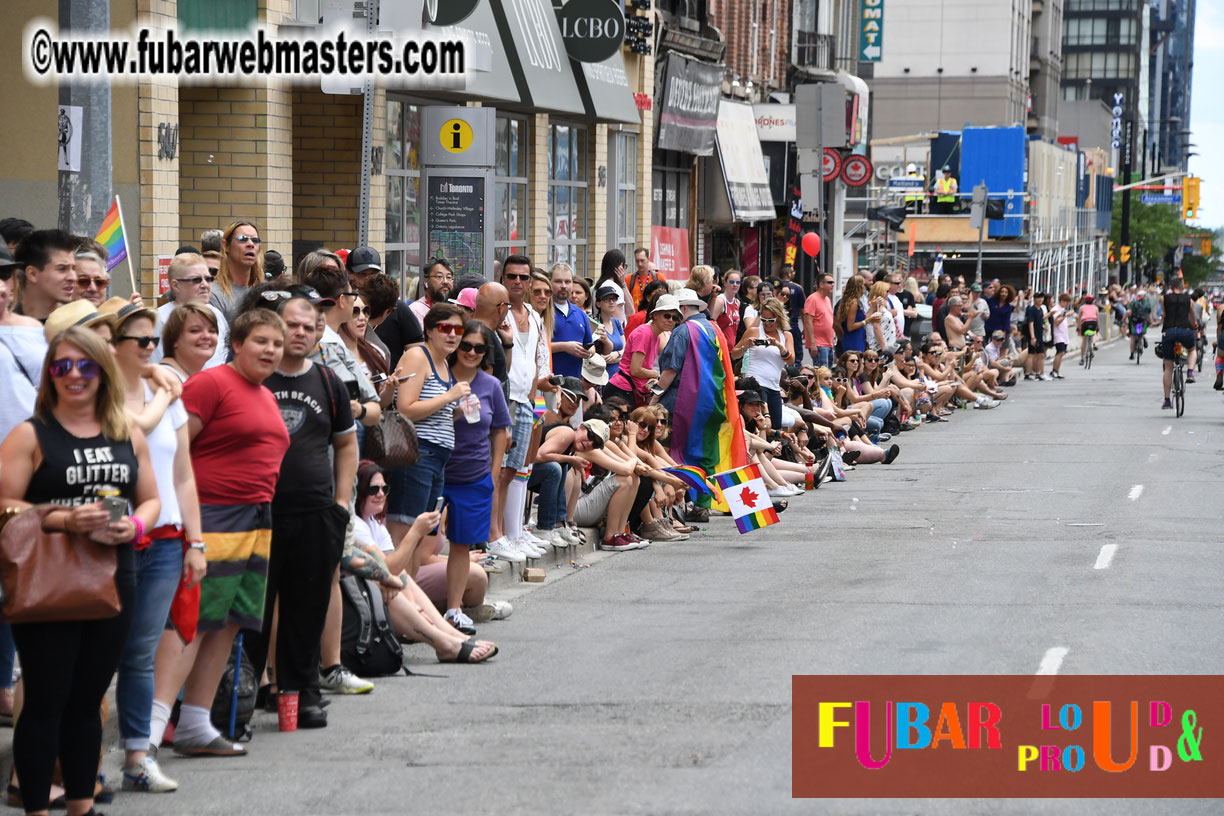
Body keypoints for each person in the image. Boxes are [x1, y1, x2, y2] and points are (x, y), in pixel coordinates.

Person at [0, 327, 161, 815]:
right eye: (61, 366)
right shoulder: (31, 433)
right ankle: (35, 808)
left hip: (114, 572)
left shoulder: (125, 431)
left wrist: (133, 525)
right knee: (46, 700)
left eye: (85, 366)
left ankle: (80, 806)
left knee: (89, 698)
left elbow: (150, 499)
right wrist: (64, 517)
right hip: (47, 576)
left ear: (102, 371)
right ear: (49, 375)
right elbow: (5, 504)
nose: (73, 375)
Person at [148, 310, 290, 759]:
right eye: (260, 341)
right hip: (213, 516)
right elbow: (173, 449)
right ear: (238, 344)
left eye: (277, 344)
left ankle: (195, 722)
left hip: (256, 520)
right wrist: (189, 529)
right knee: (193, 621)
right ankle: (148, 732)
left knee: (228, 623)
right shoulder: (210, 384)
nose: (270, 350)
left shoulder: (263, 392)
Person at [102, 300, 207, 793]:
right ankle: (84, 757)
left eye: (154, 342)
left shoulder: (166, 392)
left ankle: (137, 758)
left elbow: (183, 475)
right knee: (100, 651)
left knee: (142, 653)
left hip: (165, 540)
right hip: (110, 538)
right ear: (112, 345)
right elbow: (134, 428)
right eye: (141, 341)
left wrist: (196, 541)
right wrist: (166, 391)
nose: (151, 350)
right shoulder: (97, 395)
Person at [249, 295, 356, 730]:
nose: (298, 333)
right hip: (255, 513)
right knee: (254, 610)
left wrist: (342, 503)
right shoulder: (252, 379)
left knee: (306, 610)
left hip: (315, 513)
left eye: (307, 327)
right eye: (290, 325)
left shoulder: (329, 382)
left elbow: (346, 444)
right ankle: (248, 694)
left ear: (317, 334)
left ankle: (303, 694)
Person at [350, 466, 500, 662]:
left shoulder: (375, 523)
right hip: (360, 595)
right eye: (373, 490)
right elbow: (393, 567)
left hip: (388, 583)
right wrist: (416, 532)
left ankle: (453, 635)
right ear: (358, 492)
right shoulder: (356, 524)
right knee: (393, 583)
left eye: (384, 489)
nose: (380, 494)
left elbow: (393, 570)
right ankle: (444, 642)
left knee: (401, 579)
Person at [440, 321, 510, 631]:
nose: (470, 352)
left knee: (462, 545)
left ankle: (453, 610)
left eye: (479, 348)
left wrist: (494, 473)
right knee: (422, 542)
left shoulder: (491, 385)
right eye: (465, 345)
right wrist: (450, 409)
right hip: (435, 471)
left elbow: (501, 432)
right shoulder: (439, 375)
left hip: (474, 476)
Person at [389, 302, 468, 562]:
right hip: (417, 454)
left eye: (459, 329)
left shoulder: (443, 363)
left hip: (438, 459)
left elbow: (432, 409)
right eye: (445, 328)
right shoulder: (418, 356)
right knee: (405, 534)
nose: (453, 335)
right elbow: (406, 409)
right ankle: (395, 598)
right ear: (430, 330)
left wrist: (456, 410)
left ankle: (411, 599)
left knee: (421, 538)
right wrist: (449, 397)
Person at [490, 256, 555, 561]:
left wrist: (531, 397)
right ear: (502, 278)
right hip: (504, 398)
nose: (517, 282)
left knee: (515, 469)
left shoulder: (533, 314)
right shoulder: (498, 313)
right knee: (500, 471)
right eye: (511, 276)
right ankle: (496, 535)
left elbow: (537, 361)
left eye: (523, 277)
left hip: (526, 401)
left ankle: (511, 534)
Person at [151, 253, 229, 370]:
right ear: (176, 285)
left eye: (208, 279)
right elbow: (155, 366)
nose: (205, 285)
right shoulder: (159, 319)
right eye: (196, 280)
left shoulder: (216, 313)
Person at [605, 293, 679, 406]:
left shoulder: (656, 336)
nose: (671, 320)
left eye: (675, 318)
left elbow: (642, 369)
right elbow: (635, 370)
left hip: (631, 390)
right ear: (655, 315)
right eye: (667, 315)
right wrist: (655, 375)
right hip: (621, 391)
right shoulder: (645, 333)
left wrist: (652, 378)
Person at [733, 297, 794, 430]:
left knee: (776, 425)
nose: (767, 324)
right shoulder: (754, 331)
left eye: (771, 320)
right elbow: (734, 353)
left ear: (778, 318)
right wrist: (746, 347)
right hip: (756, 384)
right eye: (764, 320)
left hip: (774, 387)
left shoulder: (786, 335)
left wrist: (779, 346)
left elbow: (791, 360)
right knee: (760, 426)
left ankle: (771, 450)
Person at [14, 229, 76, 322]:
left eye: (74, 268)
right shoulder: (5, 326)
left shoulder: (78, 324)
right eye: (62, 269)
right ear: (32, 274)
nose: (73, 277)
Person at [210, 221, 263, 324]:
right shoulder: (213, 294)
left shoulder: (265, 291)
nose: (250, 244)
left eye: (255, 240)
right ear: (225, 246)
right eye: (242, 239)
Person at [548, 262, 593, 379]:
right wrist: (565, 347)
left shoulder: (580, 314)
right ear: (549, 282)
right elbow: (535, 348)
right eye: (558, 281)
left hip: (575, 384)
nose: (563, 286)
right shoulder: (543, 312)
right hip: (549, 385)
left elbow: (590, 344)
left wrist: (589, 351)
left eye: (567, 282)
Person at [1159, 276, 1198, 408]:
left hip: (1168, 332)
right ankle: (1190, 372)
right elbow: (1193, 319)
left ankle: (1167, 400)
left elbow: (1164, 315)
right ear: (1183, 287)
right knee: (1192, 350)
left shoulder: (1164, 299)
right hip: (1185, 331)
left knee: (1168, 366)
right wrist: (1195, 330)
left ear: (1170, 287)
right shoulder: (1189, 300)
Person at [158, 304, 219, 382]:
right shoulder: (163, 379)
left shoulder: (195, 377)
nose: (206, 336)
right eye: (195, 330)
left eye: (212, 331)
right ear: (174, 339)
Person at [803, 273, 837, 367]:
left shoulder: (827, 299)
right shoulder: (812, 299)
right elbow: (808, 322)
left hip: (828, 343)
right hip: (819, 344)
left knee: (828, 374)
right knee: (822, 374)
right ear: (821, 284)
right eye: (830, 282)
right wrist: (813, 344)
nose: (832, 285)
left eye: (833, 282)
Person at [410, 258, 454, 324]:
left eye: (449, 277)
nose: (445, 281)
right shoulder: (416, 311)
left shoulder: (454, 311)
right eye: (439, 276)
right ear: (426, 281)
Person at [835, 276, 872, 353]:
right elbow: (850, 326)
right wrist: (866, 321)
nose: (864, 288)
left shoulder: (853, 301)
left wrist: (873, 307)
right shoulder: (853, 303)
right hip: (854, 339)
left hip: (857, 337)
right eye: (863, 285)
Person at [776, 265, 806, 360]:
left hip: (783, 325)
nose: (785, 297)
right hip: (792, 324)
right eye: (793, 272)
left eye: (787, 296)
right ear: (788, 274)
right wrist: (805, 327)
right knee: (796, 354)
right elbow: (803, 309)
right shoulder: (798, 288)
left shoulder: (777, 287)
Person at [709, 269, 741, 350]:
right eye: (731, 282)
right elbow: (710, 324)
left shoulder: (737, 302)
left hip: (730, 349)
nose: (735, 285)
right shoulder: (720, 301)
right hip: (720, 349)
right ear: (725, 282)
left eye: (738, 282)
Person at [1049, 292, 1071, 379]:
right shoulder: (1056, 309)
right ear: (1062, 301)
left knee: (1062, 353)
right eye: (1066, 302)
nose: (1067, 304)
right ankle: (1054, 370)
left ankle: (1057, 371)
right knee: (1060, 352)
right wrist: (1065, 315)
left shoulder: (1061, 309)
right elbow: (1056, 322)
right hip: (1058, 335)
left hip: (1063, 334)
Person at [1128, 289, 1152, 362]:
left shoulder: (1133, 303)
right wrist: (1151, 321)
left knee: (1132, 337)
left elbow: (1129, 312)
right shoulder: (1147, 304)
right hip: (1143, 321)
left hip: (1134, 322)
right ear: (1144, 296)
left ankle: (1132, 354)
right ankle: (1144, 338)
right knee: (1143, 332)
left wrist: (1124, 318)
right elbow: (1149, 314)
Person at [1076, 293, 1099, 367]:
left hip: (1085, 323)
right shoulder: (1095, 307)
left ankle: (1082, 358)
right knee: (1092, 334)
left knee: (1084, 341)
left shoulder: (1082, 307)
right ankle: (1092, 346)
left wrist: (1079, 327)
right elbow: (1097, 318)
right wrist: (1097, 327)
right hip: (1093, 322)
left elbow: (1079, 318)